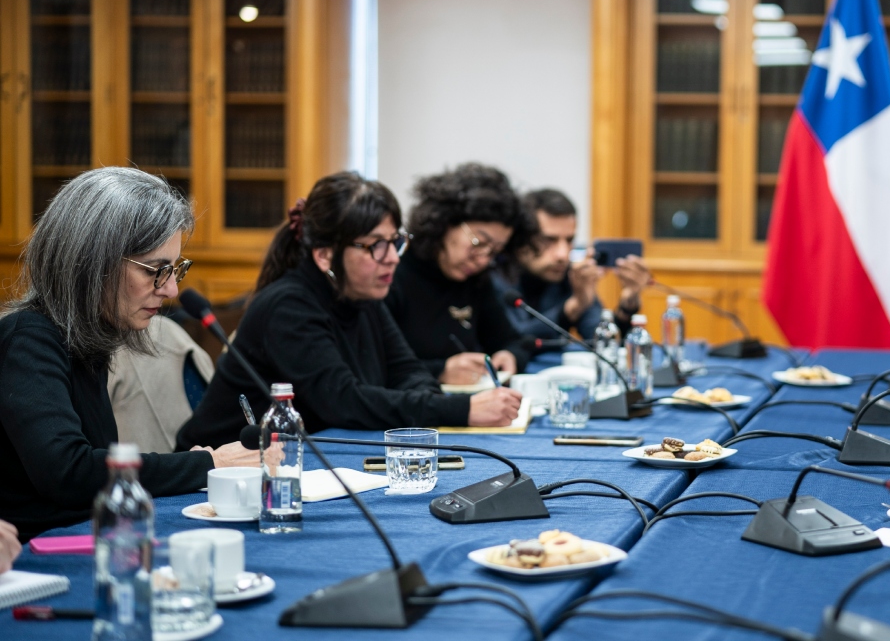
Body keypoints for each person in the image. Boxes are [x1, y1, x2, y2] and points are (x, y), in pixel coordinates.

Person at [0, 167, 258, 542]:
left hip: (86, 541)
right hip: (37, 562)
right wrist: (209, 464)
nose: (170, 289)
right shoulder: (29, 338)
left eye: (175, 269)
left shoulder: (88, 342)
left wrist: (191, 465)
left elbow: (98, 473)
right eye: (156, 270)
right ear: (93, 263)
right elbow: (69, 474)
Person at [177, 172, 522, 449]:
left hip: (311, 461)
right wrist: (462, 409)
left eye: (395, 242)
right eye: (375, 246)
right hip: (218, 478)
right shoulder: (289, 306)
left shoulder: (362, 293)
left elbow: (409, 372)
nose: (391, 258)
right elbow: (343, 402)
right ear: (325, 254)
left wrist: (427, 400)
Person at [386, 163, 531, 384]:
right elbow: (376, 366)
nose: (483, 259)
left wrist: (509, 356)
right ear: (444, 222)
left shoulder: (475, 281)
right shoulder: (393, 273)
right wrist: (439, 371)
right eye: (479, 242)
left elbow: (513, 341)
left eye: (494, 251)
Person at [494, 188, 653, 341]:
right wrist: (573, 307)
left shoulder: (568, 274)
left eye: (569, 240)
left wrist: (627, 305)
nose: (563, 254)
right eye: (549, 240)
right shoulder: (497, 272)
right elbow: (512, 340)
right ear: (522, 240)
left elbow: (600, 338)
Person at [109, 314, 215, 453]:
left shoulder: (167, 330)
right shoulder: (165, 329)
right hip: (144, 467)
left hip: (200, 461)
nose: (172, 292)